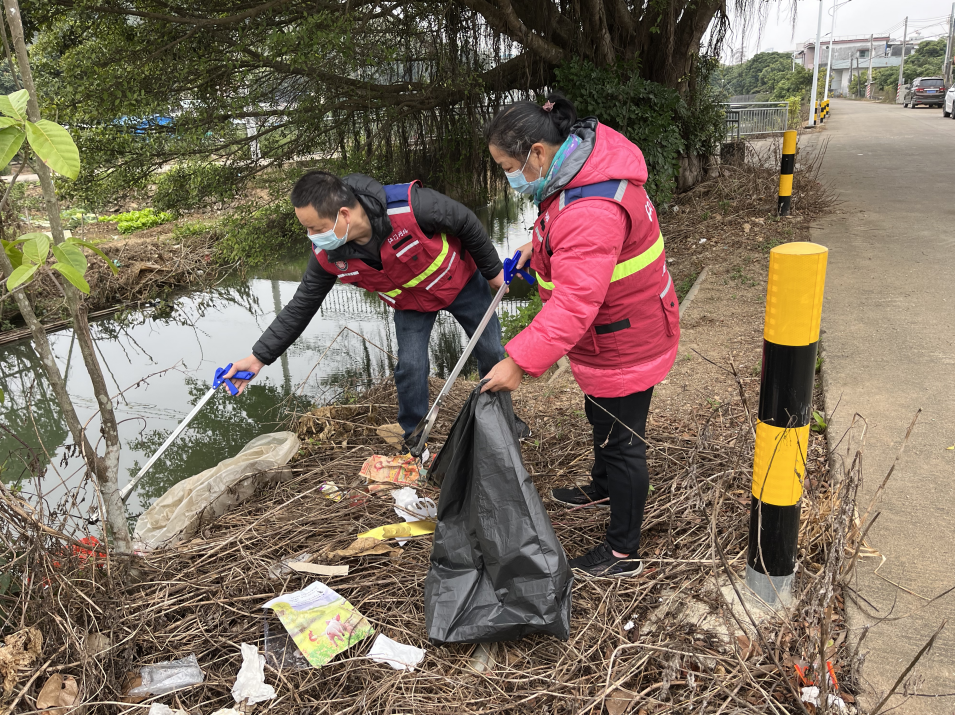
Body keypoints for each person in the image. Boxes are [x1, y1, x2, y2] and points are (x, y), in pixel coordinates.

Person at [480, 94, 680, 579]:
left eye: (509, 166)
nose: (510, 177)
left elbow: (574, 303)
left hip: (626, 339)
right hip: (617, 330)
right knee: (603, 418)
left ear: (537, 153)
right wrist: (538, 243)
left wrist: (520, 361)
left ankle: (622, 552)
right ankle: (603, 485)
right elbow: (574, 238)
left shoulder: (591, 208)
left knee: (623, 441)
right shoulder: (583, 165)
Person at [224, 171, 526, 442]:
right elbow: (301, 305)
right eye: (308, 230)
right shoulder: (327, 256)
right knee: (410, 366)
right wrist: (258, 358)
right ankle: (414, 436)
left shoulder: (411, 207)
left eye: (316, 228)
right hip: (411, 305)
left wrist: (493, 272)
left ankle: (501, 420)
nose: (312, 238)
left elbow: (465, 222)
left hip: (461, 284)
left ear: (344, 214)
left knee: (491, 352)